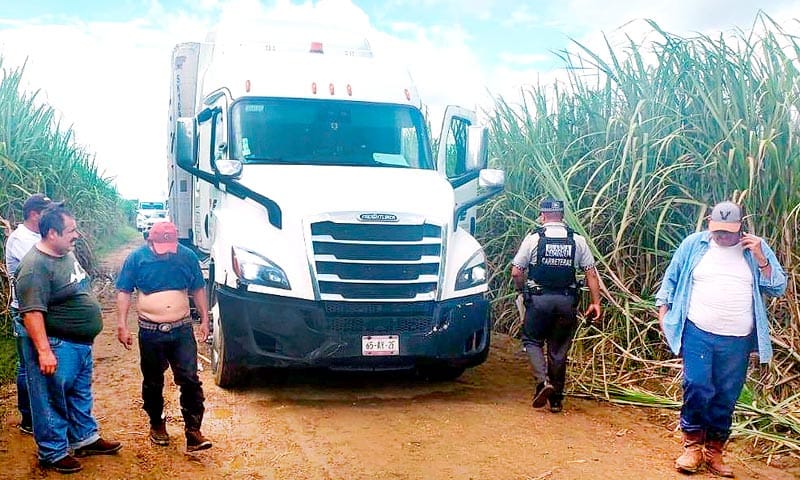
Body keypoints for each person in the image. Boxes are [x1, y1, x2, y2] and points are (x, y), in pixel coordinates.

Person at [655, 201, 786, 477]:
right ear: (709, 225)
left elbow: (777, 287)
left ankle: (714, 451)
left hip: (737, 339)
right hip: (698, 331)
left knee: (726, 395)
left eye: (728, 230)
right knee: (697, 385)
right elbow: (672, 278)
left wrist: (762, 258)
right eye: (717, 230)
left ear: (741, 227)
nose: (722, 236)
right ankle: (692, 446)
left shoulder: (754, 249)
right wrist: (663, 312)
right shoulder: (694, 245)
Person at [15, 203, 122, 474]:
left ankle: (84, 438)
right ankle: (52, 452)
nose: (77, 235)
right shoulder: (34, 267)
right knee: (50, 398)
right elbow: (31, 313)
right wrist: (44, 351)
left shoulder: (64, 253)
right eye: (71, 231)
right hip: (55, 344)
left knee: (78, 394)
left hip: (78, 345)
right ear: (52, 233)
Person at [115, 221, 212, 452]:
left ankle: (193, 431)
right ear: (150, 241)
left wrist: (205, 319)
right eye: (161, 246)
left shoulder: (187, 257)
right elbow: (124, 291)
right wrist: (121, 324)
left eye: (170, 245)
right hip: (151, 331)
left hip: (182, 329)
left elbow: (198, 287)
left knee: (190, 379)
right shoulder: (136, 259)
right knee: (152, 381)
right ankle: (157, 424)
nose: (166, 251)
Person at [511, 198, 602, 413]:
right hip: (566, 301)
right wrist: (596, 303)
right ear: (562, 216)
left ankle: (543, 382)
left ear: (542, 216)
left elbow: (516, 270)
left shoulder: (534, 239)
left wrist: (521, 290)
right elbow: (591, 273)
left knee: (532, 340)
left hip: (539, 300)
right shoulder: (577, 240)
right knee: (558, 350)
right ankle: (557, 401)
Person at [4, 193, 51, 435]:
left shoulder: (35, 236)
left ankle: (42, 414)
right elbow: (41, 266)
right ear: (35, 214)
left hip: (42, 308)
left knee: (38, 364)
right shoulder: (21, 239)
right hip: (25, 310)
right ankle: (28, 418)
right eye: (46, 211)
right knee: (29, 366)